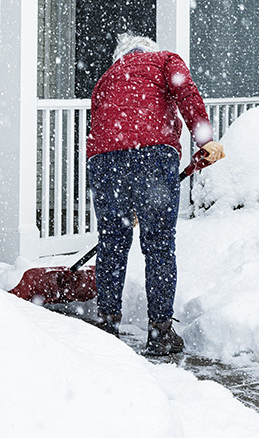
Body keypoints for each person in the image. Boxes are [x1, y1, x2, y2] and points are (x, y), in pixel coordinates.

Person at [86, 33, 225, 356]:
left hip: (105, 161)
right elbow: (187, 94)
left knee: (112, 242)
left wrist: (120, 183)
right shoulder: (164, 60)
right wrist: (205, 141)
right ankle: (160, 332)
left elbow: (101, 123)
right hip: (152, 157)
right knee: (159, 244)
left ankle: (107, 323)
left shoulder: (108, 76)